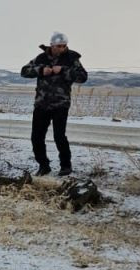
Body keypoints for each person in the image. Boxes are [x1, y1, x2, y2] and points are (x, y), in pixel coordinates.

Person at [20, 32, 89, 176]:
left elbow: (82, 77)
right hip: (41, 103)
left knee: (59, 136)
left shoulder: (71, 58)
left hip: (61, 104)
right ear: (52, 45)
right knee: (36, 137)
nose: (62, 48)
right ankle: (43, 165)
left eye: (64, 46)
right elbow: (24, 71)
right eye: (59, 46)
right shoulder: (41, 58)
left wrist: (64, 70)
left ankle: (66, 166)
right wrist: (40, 70)